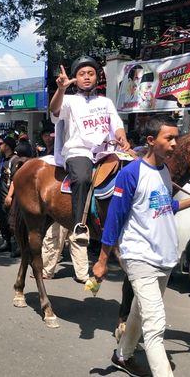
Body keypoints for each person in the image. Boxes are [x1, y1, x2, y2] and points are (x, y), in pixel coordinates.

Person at [93, 116, 190, 377]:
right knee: (155, 324)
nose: (175, 143)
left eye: (176, 137)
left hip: (164, 257)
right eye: (169, 138)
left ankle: (122, 356)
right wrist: (102, 260)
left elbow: (165, 207)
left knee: (138, 311)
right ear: (150, 141)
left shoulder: (165, 171)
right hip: (139, 257)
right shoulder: (131, 173)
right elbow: (114, 218)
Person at [49, 56, 130, 251]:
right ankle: (79, 226)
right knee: (83, 177)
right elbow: (54, 109)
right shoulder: (68, 100)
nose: (86, 77)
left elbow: (116, 124)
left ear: (96, 77)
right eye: (82, 74)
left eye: (91, 74)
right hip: (78, 151)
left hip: (106, 150)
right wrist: (61, 89)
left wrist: (123, 138)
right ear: (75, 78)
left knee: (134, 171)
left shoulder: (105, 102)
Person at [0, 135, 17, 253]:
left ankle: (16, 245)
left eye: (2, 144)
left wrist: (9, 196)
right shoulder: (3, 160)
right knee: (1, 219)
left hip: (8, 197)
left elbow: (15, 180)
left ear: (7, 147)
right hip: (0, 196)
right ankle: (6, 242)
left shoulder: (14, 160)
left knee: (12, 221)